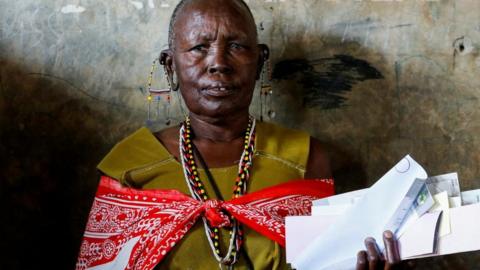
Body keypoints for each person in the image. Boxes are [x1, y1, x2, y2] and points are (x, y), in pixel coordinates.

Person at [78, 0, 403, 269]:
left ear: (260, 61)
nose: (219, 63)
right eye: (198, 47)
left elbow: (328, 261)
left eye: (236, 46)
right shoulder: (130, 166)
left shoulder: (305, 158)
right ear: (169, 66)